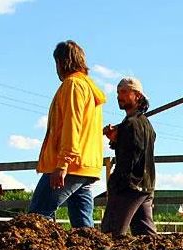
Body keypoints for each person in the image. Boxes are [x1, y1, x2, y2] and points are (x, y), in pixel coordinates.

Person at [29, 40, 106, 228]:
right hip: (87, 166)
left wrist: (62, 164)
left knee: (37, 217)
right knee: (83, 227)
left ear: (62, 62)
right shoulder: (89, 88)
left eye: (56, 63)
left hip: (70, 165)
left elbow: (72, 125)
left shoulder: (72, 85)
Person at [100, 77, 158, 236]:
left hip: (129, 187)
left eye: (124, 92)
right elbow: (134, 149)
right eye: (118, 92)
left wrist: (115, 182)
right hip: (146, 187)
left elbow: (131, 157)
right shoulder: (145, 124)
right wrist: (116, 139)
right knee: (146, 238)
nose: (119, 96)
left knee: (110, 234)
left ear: (138, 96)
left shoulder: (131, 124)